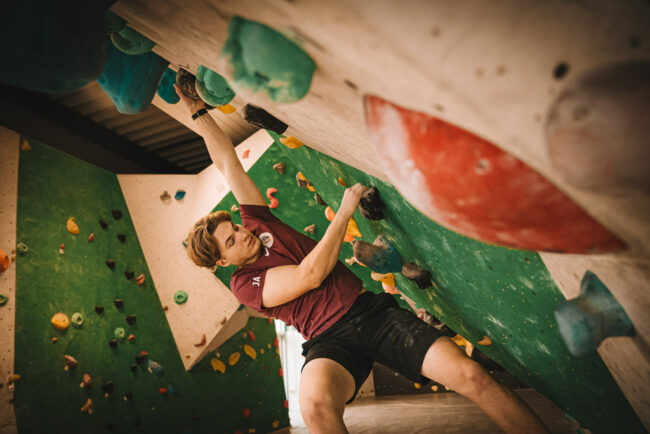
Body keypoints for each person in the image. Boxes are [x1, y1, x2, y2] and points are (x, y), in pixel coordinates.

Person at [177, 85, 549, 434]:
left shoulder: (258, 222)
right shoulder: (245, 283)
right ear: (224, 261)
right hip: (328, 341)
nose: (243, 233)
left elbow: (228, 163)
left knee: (471, 376)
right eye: (232, 241)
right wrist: (343, 213)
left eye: (235, 227)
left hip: (373, 314)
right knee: (316, 408)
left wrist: (198, 113)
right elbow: (310, 275)